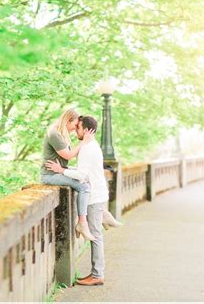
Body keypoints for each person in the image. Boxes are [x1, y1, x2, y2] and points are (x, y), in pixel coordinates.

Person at [46, 115, 122, 286]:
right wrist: (65, 169)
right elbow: (83, 170)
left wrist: (61, 171)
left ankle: (97, 275)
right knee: (96, 232)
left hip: (94, 196)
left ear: (87, 130)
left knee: (95, 236)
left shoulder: (87, 148)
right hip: (99, 193)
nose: (76, 131)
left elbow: (82, 175)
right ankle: (104, 215)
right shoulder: (92, 146)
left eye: (78, 127)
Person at [40, 108, 96, 241]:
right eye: (75, 125)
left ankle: (100, 214)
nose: (75, 128)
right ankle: (82, 223)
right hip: (50, 176)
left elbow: (66, 161)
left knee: (87, 179)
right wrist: (84, 142)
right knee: (83, 187)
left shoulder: (61, 134)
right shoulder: (54, 134)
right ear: (67, 121)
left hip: (58, 171)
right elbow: (69, 155)